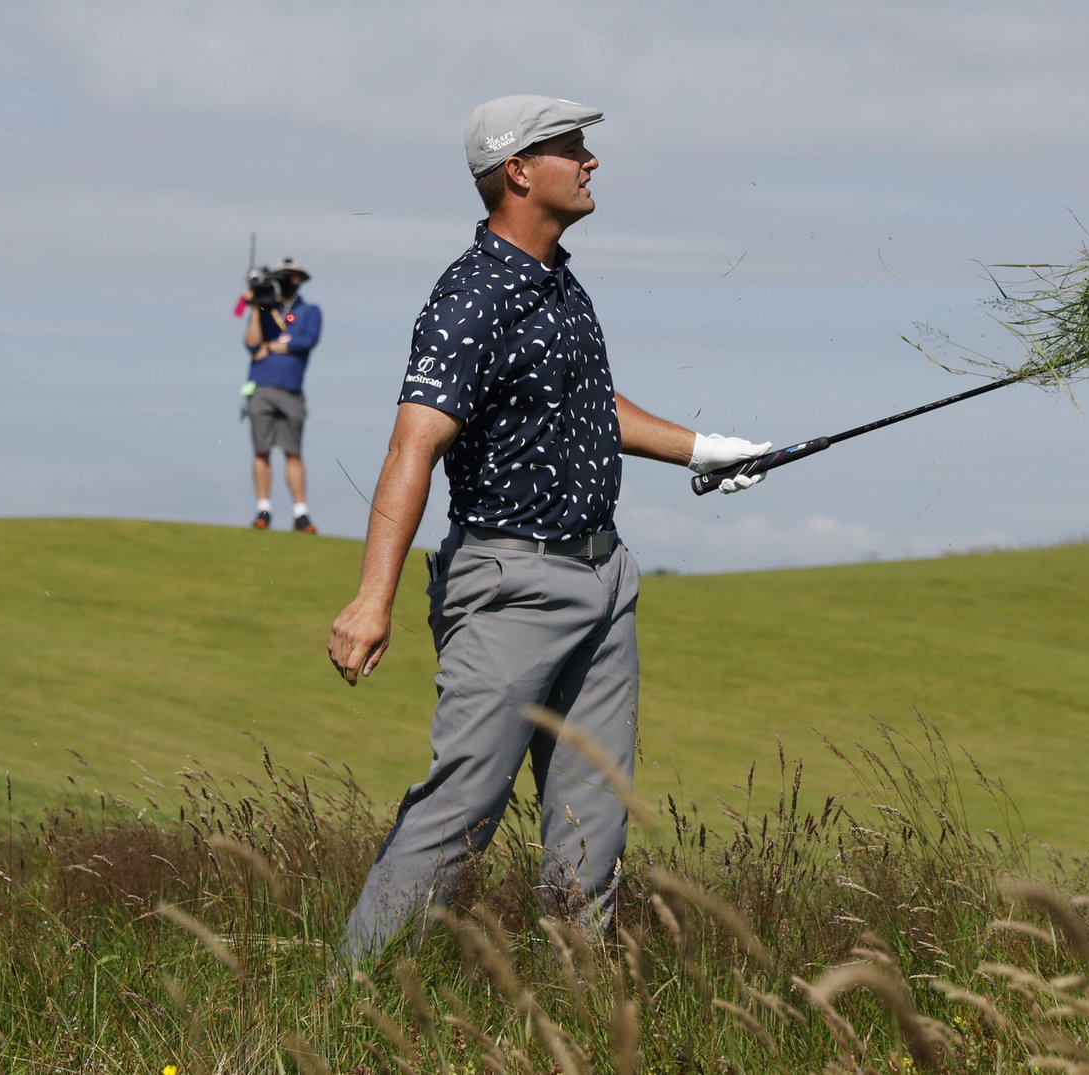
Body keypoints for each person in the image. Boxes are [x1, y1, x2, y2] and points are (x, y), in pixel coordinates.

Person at [326, 95, 771, 963]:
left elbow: (589, 407)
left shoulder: (561, 285)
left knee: (591, 825)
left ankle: (571, 1015)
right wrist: (370, 599)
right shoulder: (470, 296)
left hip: (605, 580)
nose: (590, 161)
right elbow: (413, 445)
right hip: (509, 585)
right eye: (570, 148)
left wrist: (704, 449)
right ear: (518, 171)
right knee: (460, 814)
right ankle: (351, 1005)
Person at [242, 258, 322, 532]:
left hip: (291, 390)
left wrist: (274, 346)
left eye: (296, 276)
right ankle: (262, 509)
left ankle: (301, 513)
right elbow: (252, 343)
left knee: (293, 452)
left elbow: (306, 341)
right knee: (261, 450)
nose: (292, 281)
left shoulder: (310, 310)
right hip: (261, 387)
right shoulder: (266, 308)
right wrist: (254, 307)